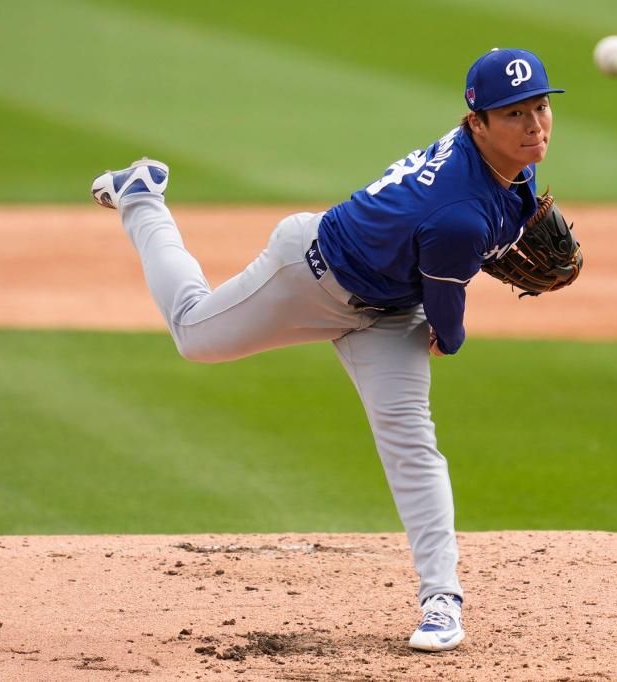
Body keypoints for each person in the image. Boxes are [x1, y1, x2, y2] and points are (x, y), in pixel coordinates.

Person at [90, 47, 564, 652]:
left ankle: (442, 601)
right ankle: (141, 197)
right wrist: (450, 335)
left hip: (386, 311)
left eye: (541, 108)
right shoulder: (459, 219)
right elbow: (449, 324)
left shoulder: (508, 166)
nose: (533, 127)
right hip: (308, 277)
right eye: (514, 114)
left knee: (410, 441)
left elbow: (484, 227)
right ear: (476, 122)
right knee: (193, 336)